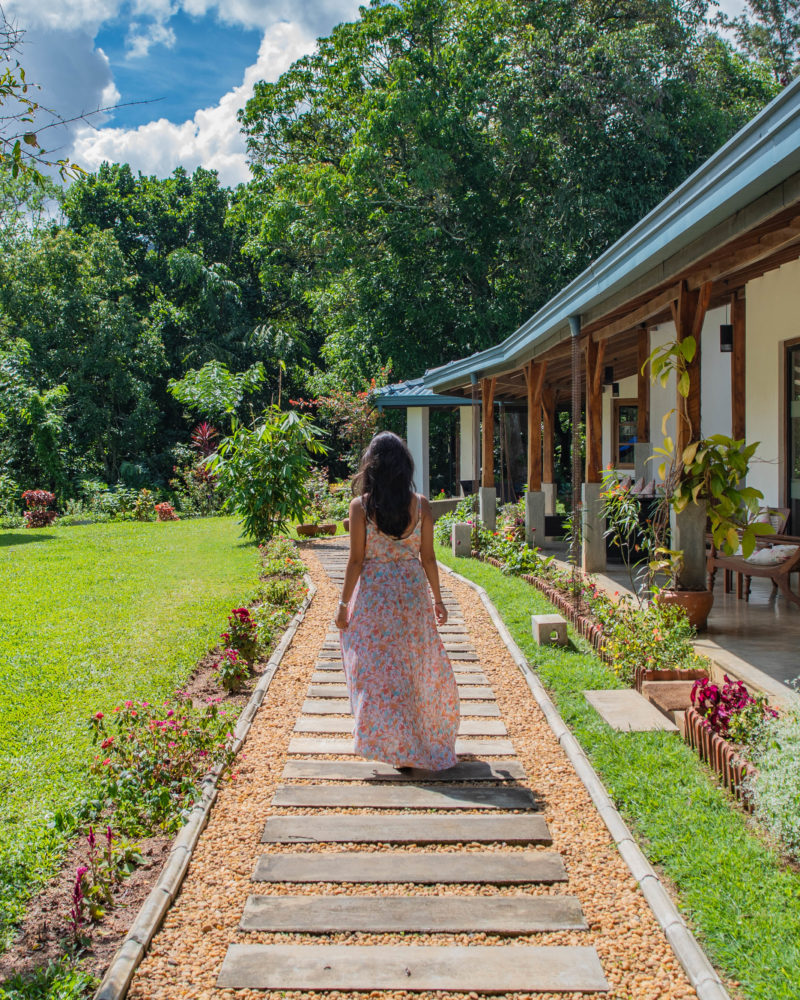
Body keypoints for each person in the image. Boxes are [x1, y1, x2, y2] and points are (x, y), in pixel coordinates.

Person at [335, 431, 460, 770]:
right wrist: (438, 600)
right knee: (413, 664)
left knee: (378, 669)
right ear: (404, 465)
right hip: (411, 592)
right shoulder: (420, 505)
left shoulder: (361, 507)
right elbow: (429, 558)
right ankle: (416, 738)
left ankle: (393, 742)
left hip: (375, 596)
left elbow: (356, 561)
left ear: (371, 466)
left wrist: (344, 605)